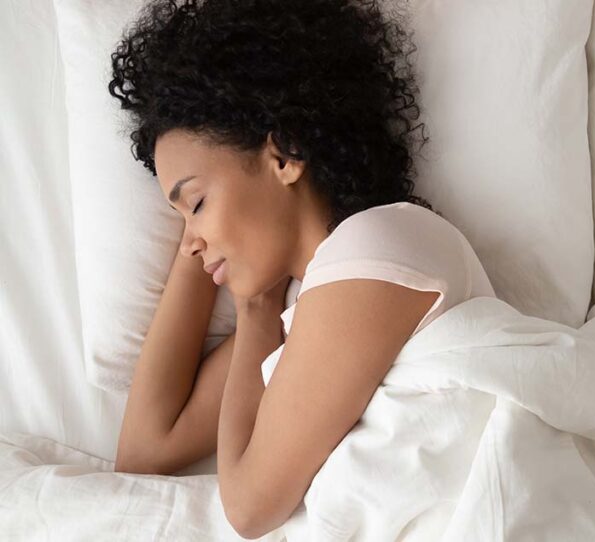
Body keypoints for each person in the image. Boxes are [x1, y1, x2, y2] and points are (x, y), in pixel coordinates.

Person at [106, 0, 495, 538]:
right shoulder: (299, 312)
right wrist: (255, 302)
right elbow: (144, 452)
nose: (189, 245)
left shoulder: (379, 244)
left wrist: (250, 297)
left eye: (195, 203)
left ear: (285, 155)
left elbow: (249, 508)